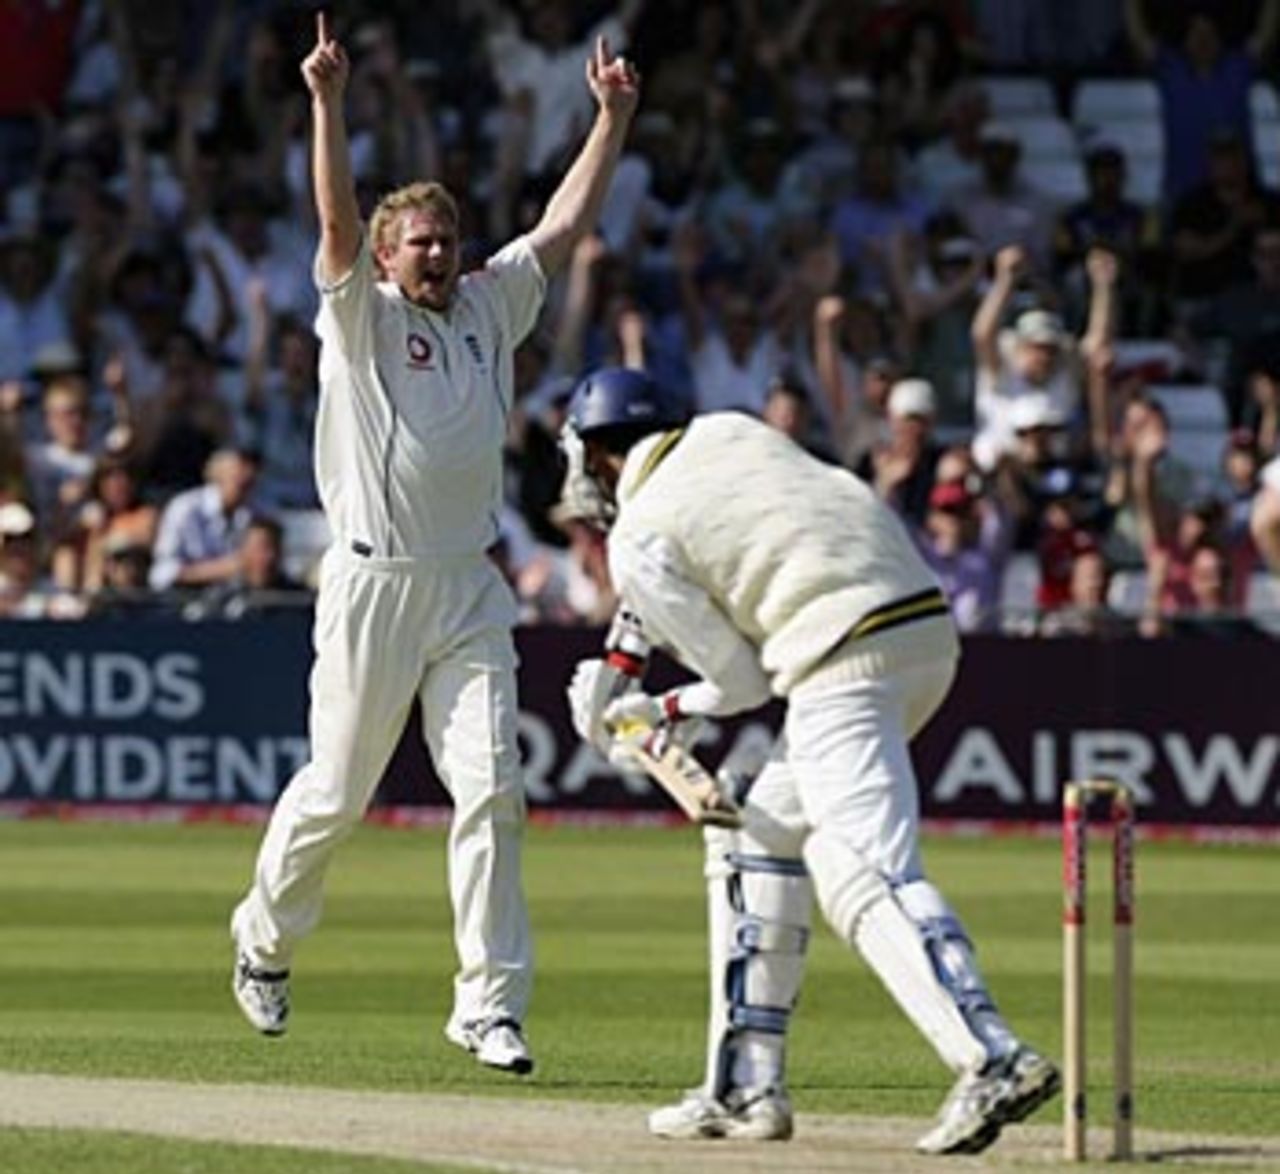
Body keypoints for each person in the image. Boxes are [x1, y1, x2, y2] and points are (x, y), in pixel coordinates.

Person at [228, 15, 640, 1078]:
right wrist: (326, 100)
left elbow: (558, 225)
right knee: (335, 791)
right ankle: (262, 941)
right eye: (418, 242)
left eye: (447, 240)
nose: (439, 254)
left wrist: (613, 120)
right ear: (382, 253)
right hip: (370, 586)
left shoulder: (485, 308)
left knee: (493, 786)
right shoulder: (356, 316)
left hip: (468, 586)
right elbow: (330, 216)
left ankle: (487, 1003)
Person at [562, 367, 1058, 1155]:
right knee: (760, 832)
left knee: (860, 868)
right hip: (923, 634)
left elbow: (740, 681)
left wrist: (659, 712)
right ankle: (746, 1086)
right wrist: (640, 696)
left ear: (598, 454)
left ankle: (992, 1056)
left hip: (839, 656)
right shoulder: (730, 430)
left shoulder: (638, 531)